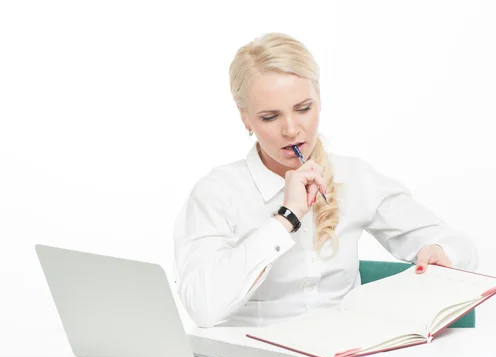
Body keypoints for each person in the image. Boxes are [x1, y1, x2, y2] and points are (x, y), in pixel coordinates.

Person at [173, 32, 478, 328]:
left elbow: (458, 244)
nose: (292, 129)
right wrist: (286, 218)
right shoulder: (216, 192)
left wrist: (441, 253)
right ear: (245, 118)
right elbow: (202, 307)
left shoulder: (356, 177)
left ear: (319, 99)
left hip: (341, 356)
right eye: (270, 117)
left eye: (303, 108)